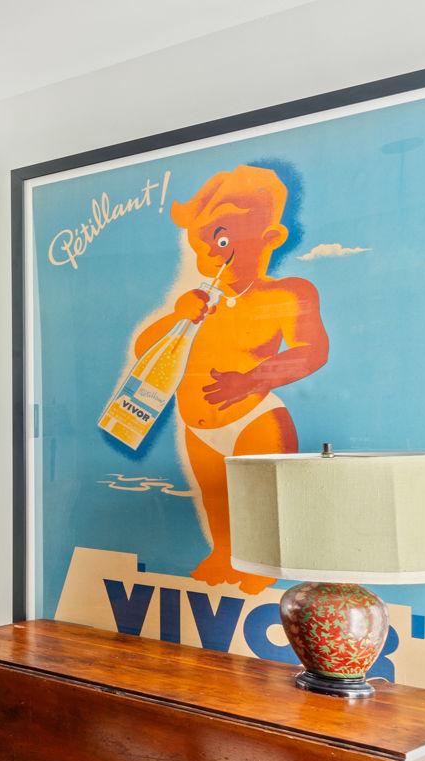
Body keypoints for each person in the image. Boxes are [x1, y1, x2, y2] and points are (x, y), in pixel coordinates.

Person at [130, 165, 329, 591]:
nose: (212, 257)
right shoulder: (201, 304)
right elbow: (143, 349)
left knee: (260, 502)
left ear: (270, 238)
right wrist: (178, 317)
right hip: (197, 425)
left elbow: (311, 351)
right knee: (214, 499)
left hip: (255, 418)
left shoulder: (287, 294)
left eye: (222, 239)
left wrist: (253, 380)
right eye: (203, 246)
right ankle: (225, 556)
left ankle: (260, 567)